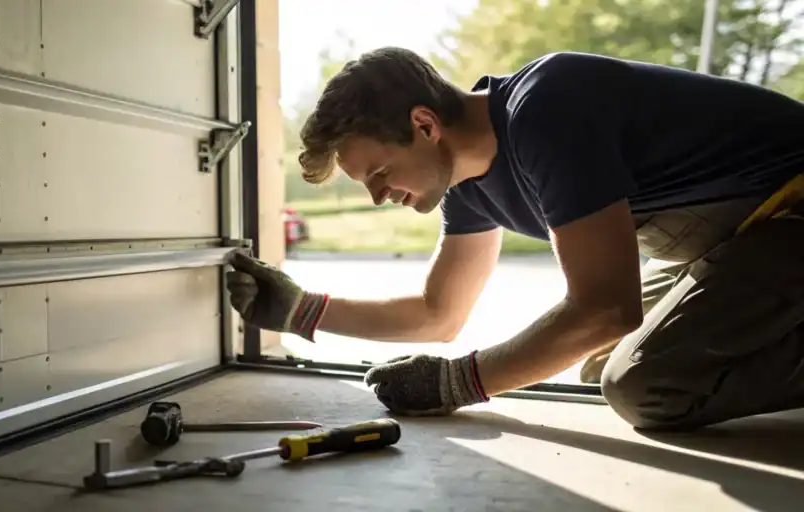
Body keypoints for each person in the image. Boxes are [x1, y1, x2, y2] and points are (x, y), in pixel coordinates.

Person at [224, 48, 804, 431]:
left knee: (645, 384)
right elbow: (438, 315)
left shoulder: (545, 111)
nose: (378, 196)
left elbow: (606, 306)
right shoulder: (469, 184)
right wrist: (302, 312)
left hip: (791, 215)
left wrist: (459, 383)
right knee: (594, 363)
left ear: (424, 125)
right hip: (745, 236)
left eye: (379, 174)